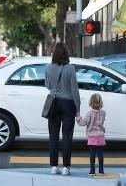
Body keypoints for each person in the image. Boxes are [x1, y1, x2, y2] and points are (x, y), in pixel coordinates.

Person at [45, 42, 81, 175]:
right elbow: (74, 90)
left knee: (53, 136)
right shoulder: (70, 68)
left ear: (54, 53)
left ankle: (53, 167)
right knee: (67, 136)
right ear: (66, 53)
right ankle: (66, 167)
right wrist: (77, 107)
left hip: (54, 103)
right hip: (68, 104)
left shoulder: (48, 68)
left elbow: (48, 85)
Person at [76, 93, 106, 176]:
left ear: (91, 103)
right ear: (101, 103)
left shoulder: (89, 113)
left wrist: (78, 117)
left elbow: (83, 123)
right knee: (100, 154)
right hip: (100, 136)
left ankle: (92, 171)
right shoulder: (103, 113)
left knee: (92, 155)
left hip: (92, 136)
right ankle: (101, 171)